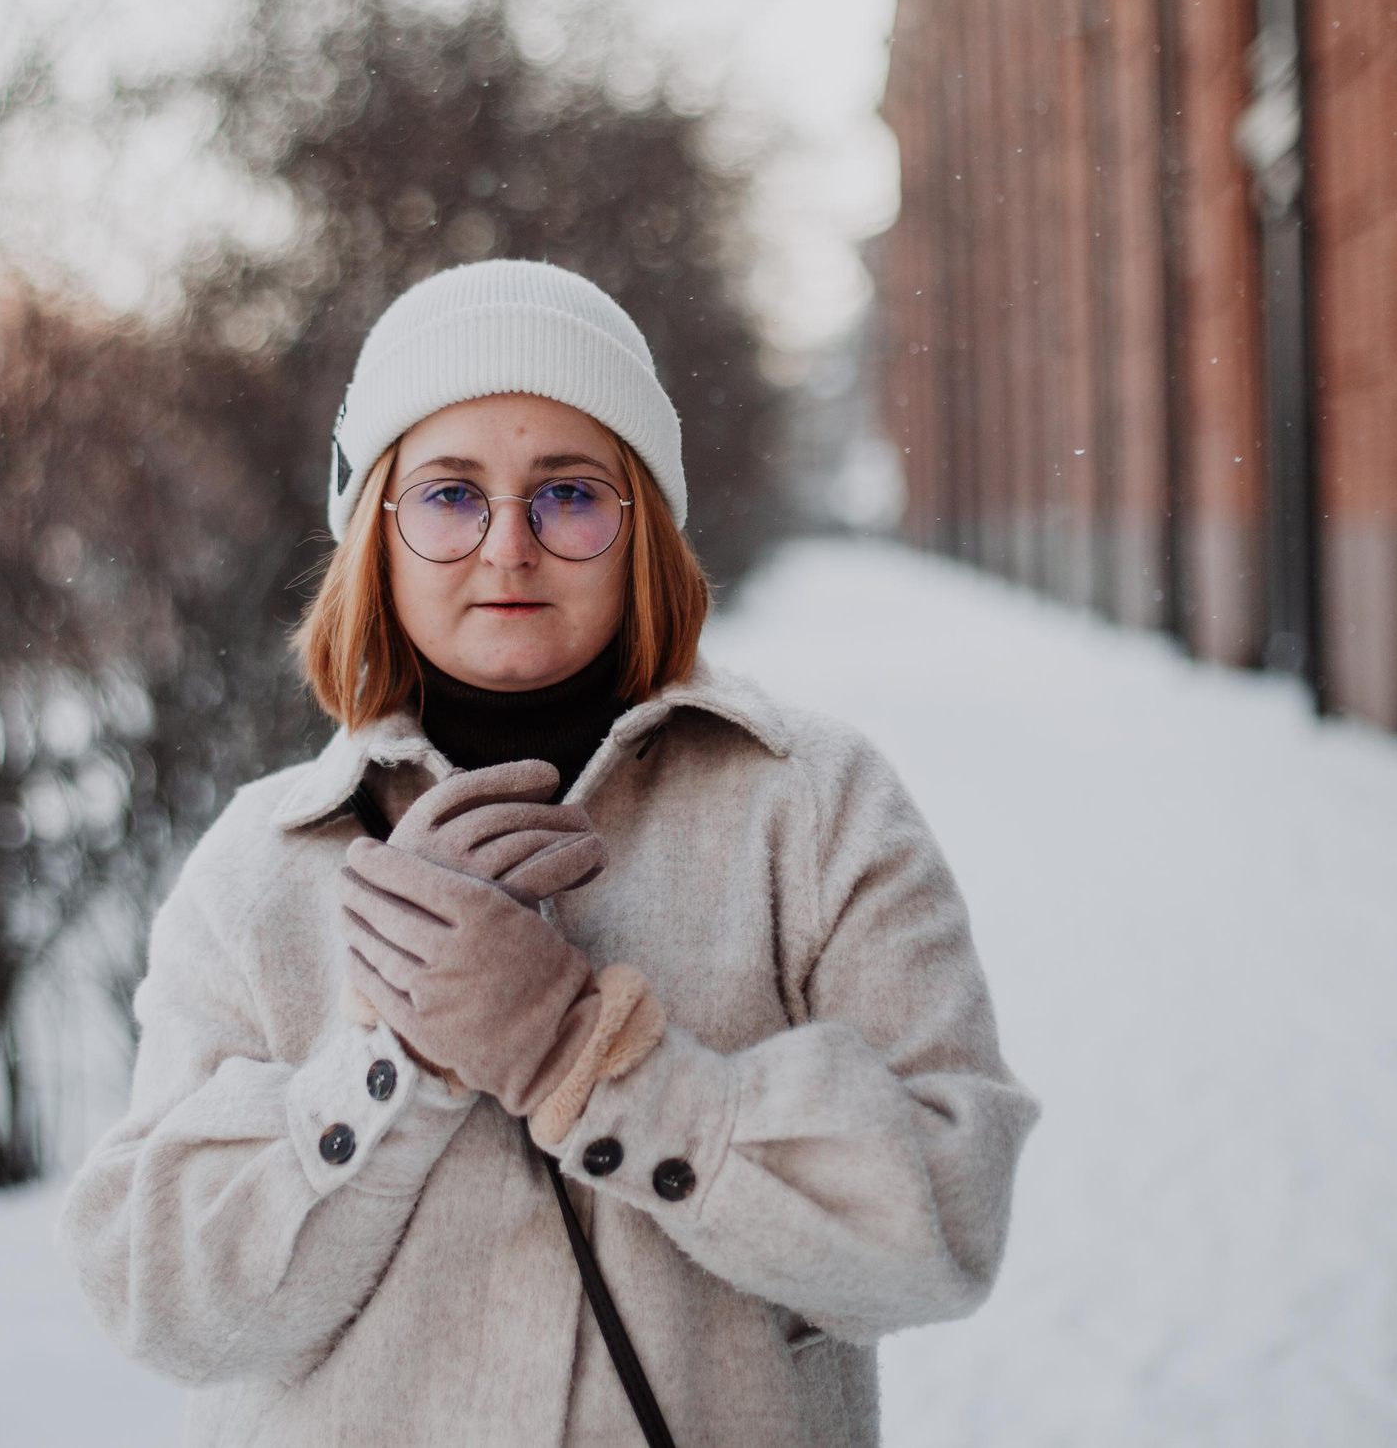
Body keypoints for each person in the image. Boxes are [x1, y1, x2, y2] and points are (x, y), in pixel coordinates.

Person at [58, 259, 1038, 1446]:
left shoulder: (813, 807)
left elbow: (941, 1226)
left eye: (569, 495)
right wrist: (386, 1060)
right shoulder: (261, 862)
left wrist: (585, 1055)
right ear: (377, 529)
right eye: (448, 495)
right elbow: (162, 1308)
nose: (508, 548)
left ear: (642, 531)